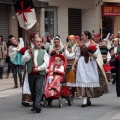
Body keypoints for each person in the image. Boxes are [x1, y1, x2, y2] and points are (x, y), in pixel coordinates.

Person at [72, 31, 108, 107]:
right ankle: (84, 100)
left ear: (87, 36)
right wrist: (74, 65)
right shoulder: (80, 44)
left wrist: (91, 54)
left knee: (89, 79)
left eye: (83, 35)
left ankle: (88, 98)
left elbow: (96, 56)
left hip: (91, 63)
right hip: (82, 63)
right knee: (83, 79)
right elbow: (77, 56)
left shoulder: (94, 44)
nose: (81, 36)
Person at [22, 37, 49, 113]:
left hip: (40, 74)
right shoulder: (28, 51)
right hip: (31, 73)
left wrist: (39, 68)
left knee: (38, 89)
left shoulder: (44, 52)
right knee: (32, 90)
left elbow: (46, 63)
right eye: (37, 41)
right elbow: (23, 59)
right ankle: (35, 104)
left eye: (40, 42)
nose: (39, 43)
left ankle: (37, 106)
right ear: (34, 42)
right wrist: (29, 55)